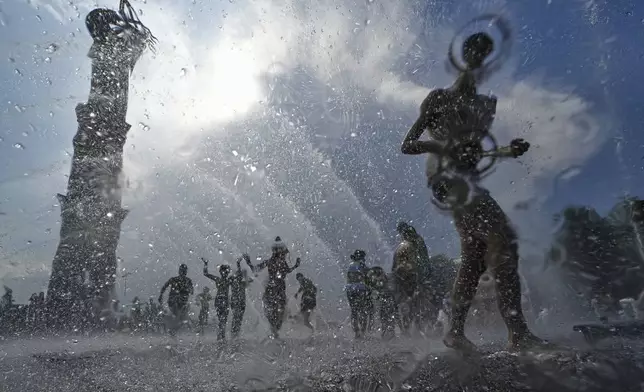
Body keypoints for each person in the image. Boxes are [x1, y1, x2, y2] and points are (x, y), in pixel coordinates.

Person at [400, 32, 546, 352]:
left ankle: (455, 332)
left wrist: (508, 149)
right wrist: (441, 145)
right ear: (464, 59)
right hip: (447, 180)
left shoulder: (483, 107)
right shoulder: (438, 99)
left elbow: (477, 153)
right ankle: (518, 333)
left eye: (485, 58)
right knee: (502, 238)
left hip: (468, 183)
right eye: (474, 54)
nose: (479, 64)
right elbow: (408, 144)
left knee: (474, 259)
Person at [248, 237, 301, 339]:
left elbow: (256, 269)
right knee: (277, 310)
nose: (283, 254)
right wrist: (295, 266)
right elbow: (256, 269)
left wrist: (295, 266)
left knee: (276, 310)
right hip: (276, 289)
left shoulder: (275, 261)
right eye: (281, 251)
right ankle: (274, 330)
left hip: (275, 289)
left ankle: (274, 330)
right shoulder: (275, 261)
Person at [158, 264, 194, 335]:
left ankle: (173, 330)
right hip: (175, 302)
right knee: (180, 317)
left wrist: (161, 296)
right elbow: (164, 287)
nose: (183, 272)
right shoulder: (175, 279)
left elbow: (192, 291)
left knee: (181, 318)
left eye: (184, 271)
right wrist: (160, 296)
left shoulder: (187, 280)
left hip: (181, 302)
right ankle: (173, 329)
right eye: (182, 271)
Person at [202, 258, 233, 341]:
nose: (225, 273)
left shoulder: (222, 279)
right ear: (221, 272)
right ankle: (221, 335)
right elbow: (205, 273)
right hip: (221, 300)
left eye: (226, 272)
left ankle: (221, 335)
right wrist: (205, 264)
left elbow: (206, 273)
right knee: (222, 318)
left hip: (221, 300)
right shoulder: (225, 280)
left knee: (222, 319)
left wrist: (205, 264)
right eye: (224, 271)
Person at [345, 250, 372, 339]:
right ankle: (363, 331)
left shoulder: (350, 265)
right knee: (363, 310)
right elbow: (369, 277)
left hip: (349, 289)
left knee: (354, 311)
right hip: (360, 289)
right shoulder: (362, 265)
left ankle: (356, 332)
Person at [368, 267, 399, 340]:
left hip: (388, 302)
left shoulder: (385, 280)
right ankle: (386, 334)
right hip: (386, 302)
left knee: (388, 319)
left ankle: (389, 334)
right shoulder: (383, 280)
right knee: (386, 319)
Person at [230, 254, 253, 338]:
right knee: (237, 316)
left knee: (238, 316)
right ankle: (235, 331)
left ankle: (236, 331)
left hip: (240, 301)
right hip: (237, 301)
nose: (240, 276)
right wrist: (238, 263)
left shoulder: (242, 283)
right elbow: (243, 275)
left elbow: (251, 279)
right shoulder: (235, 282)